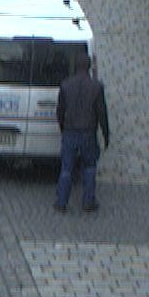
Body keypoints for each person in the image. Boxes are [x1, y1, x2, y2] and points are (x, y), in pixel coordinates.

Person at [54, 53, 112, 213]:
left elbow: (60, 111)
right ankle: (88, 201)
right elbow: (102, 113)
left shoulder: (66, 85)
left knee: (66, 168)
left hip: (70, 131)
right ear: (89, 67)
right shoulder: (96, 87)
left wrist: (63, 128)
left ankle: (61, 202)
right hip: (88, 132)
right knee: (89, 167)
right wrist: (106, 135)